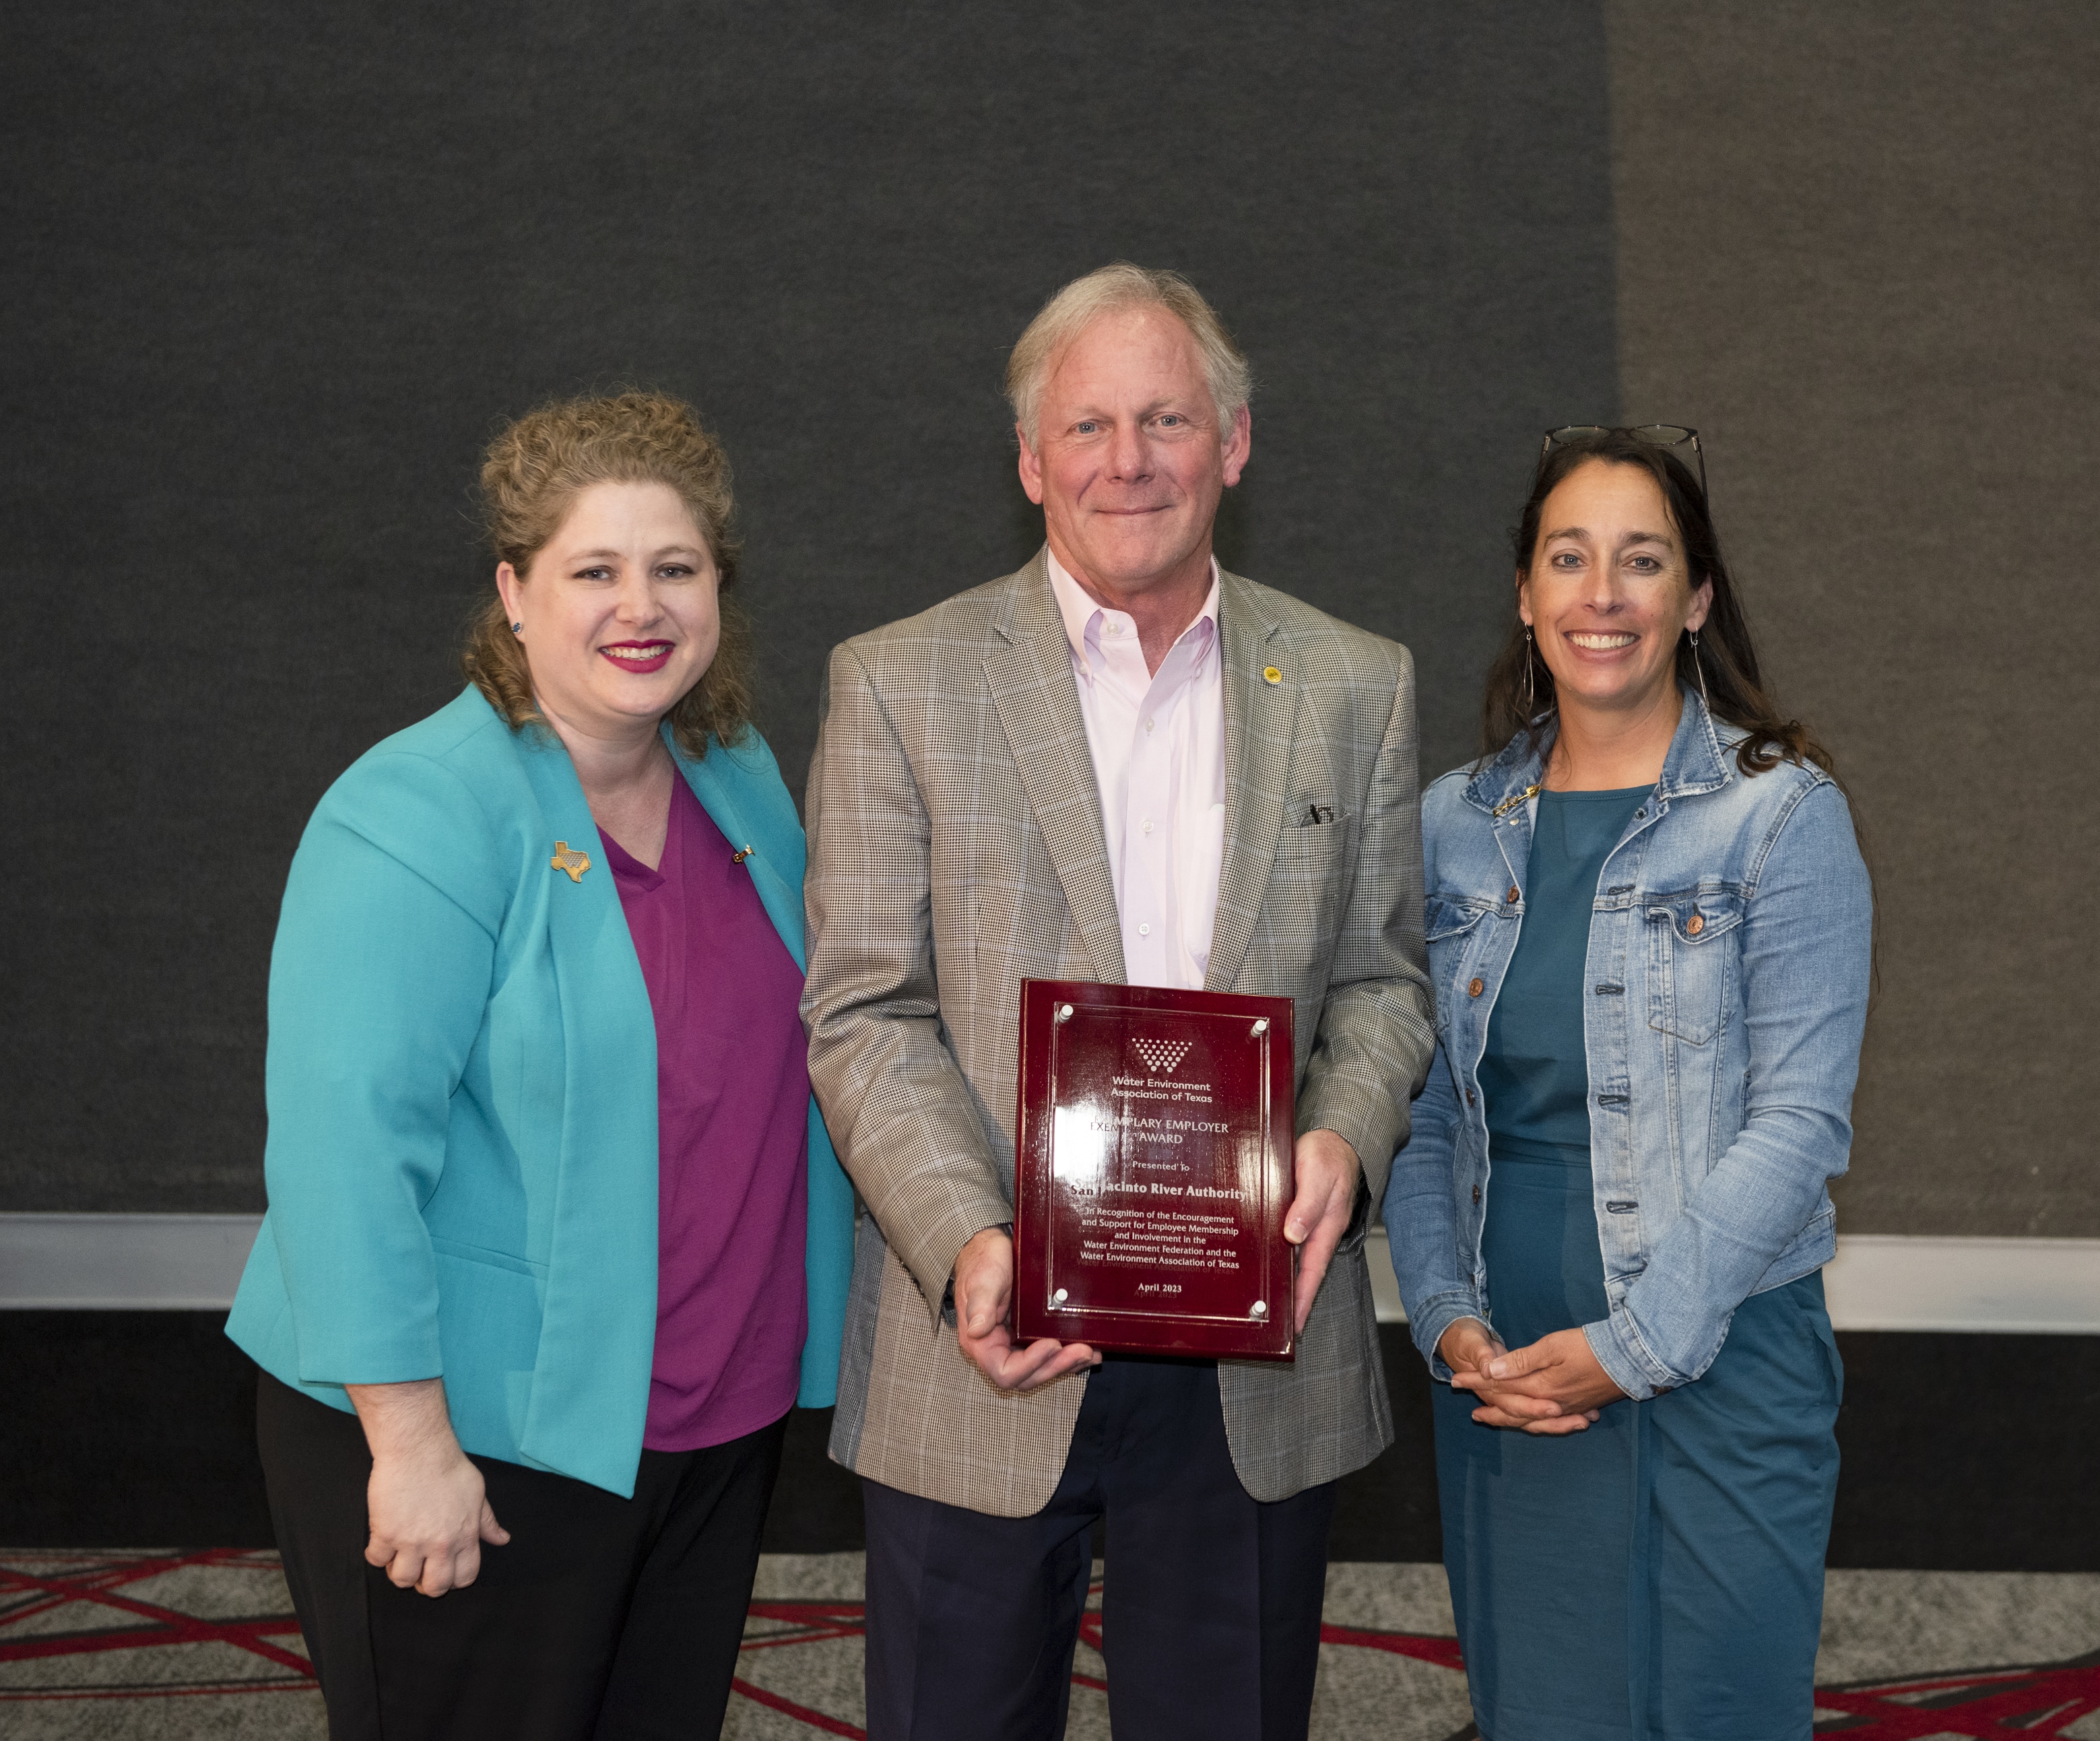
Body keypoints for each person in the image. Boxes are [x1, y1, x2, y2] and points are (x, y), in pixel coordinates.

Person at [800, 263, 1434, 1741]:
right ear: (1031, 462)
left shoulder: (1353, 682)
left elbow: (1383, 985)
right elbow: (863, 1009)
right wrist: (968, 1241)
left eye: (1166, 418)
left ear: (1235, 442)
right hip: (987, 1347)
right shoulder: (901, 683)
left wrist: (1343, 1138)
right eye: (1088, 426)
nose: (1128, 460)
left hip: (1254, 1366)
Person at [224, 391, 854, 1740]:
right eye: (595, 570)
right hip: (486, 1437)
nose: (643, 606)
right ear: (514, 593)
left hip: (708, 1417)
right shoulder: (416, 811)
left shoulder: (733, 770)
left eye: (675, 569)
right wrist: (410, 1446)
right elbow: (344, 1153)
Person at [1382, 426, 1872, 1740]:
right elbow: (1424, 1113)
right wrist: (1443, 1317)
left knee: (1716, 1713)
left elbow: (1799, 1127)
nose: (1604, 594)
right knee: (1543, 1714)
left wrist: (1635, 1347)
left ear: (1695, 599)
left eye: (1642, 560)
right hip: (1514, 1377)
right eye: (1570, 558)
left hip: (1717, 1354)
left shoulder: (1782, 816)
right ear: (1527, 597)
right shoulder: (1452, 825)